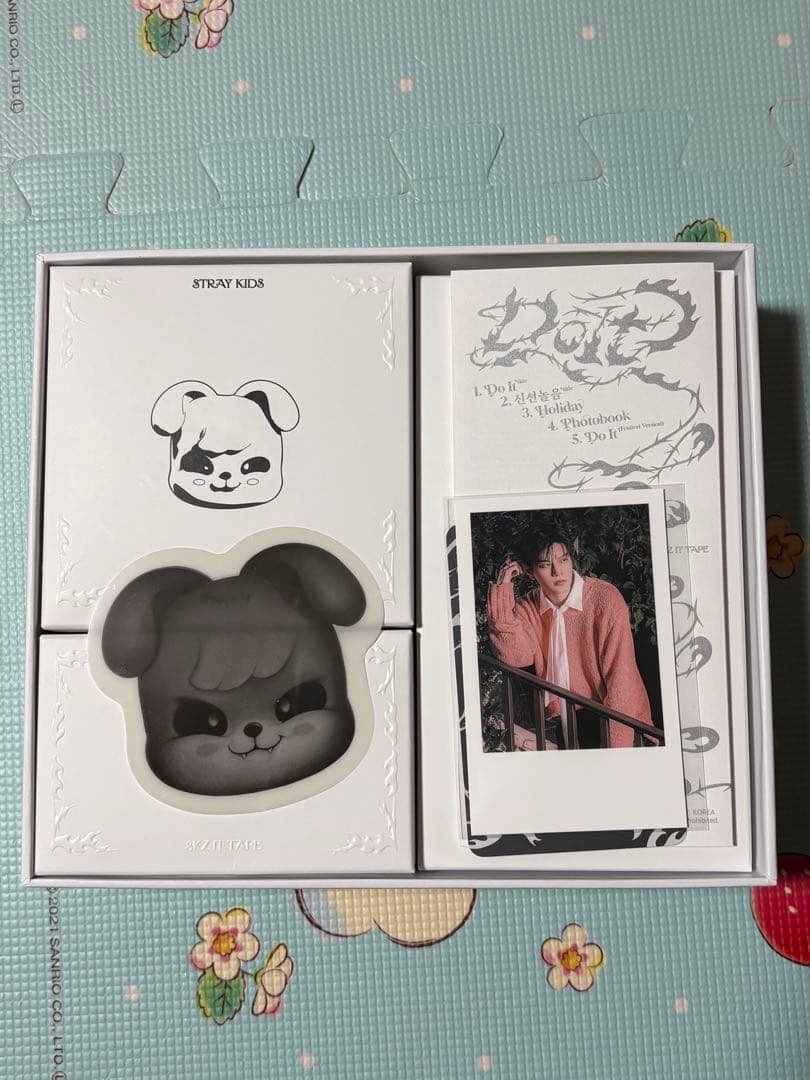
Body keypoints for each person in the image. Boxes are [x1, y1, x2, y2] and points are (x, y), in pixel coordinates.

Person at [486, 533, 652, 749]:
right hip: (568, 720)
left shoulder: (605, 599)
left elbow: (621, 680)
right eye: (545, 565)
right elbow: (515, 656)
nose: (558, 572)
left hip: (619, 720)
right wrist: (502, 585)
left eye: (563, 560)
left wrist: (618, 752)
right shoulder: (528, 608)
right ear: (530, 571)